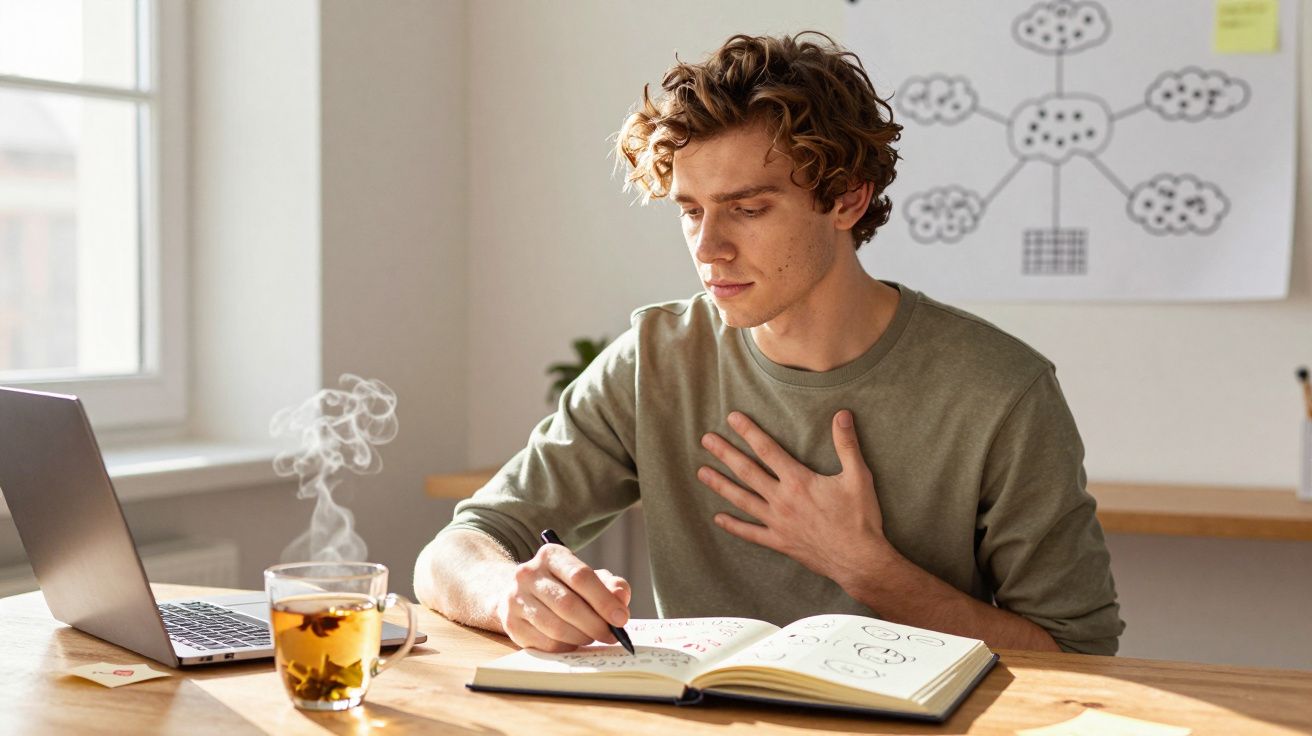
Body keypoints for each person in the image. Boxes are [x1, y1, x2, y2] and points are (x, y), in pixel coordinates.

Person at [414, 31, 1124, 655]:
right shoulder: (657, 358)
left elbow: (1076, 651)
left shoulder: (999, 390)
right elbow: (460, 546)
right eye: (690, 211)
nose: (708, 247)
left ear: (847, 198)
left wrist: (867, 568)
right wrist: (510, 592)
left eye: (748, 209)